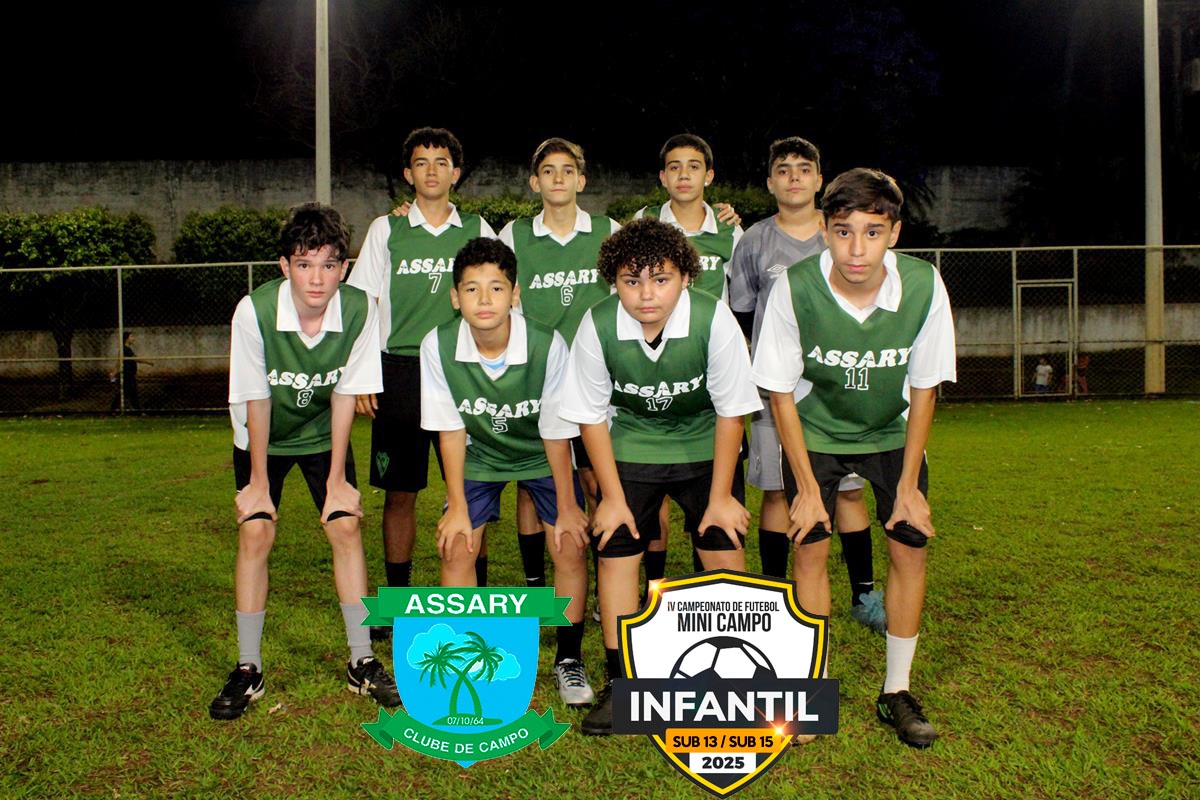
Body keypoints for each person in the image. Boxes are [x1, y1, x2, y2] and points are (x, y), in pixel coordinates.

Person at [751, 168, 956, 748]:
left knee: (908, 546)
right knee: (810, 547)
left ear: (894, 233)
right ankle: (810, 691)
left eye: (872, 232)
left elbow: (925, 388)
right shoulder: (794, 287)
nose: (857, 249)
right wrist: (805, 488)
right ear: (824, 229)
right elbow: (780, 392)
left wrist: (909, 485)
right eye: (843, 232)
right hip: (814, 432)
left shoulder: (923, 286)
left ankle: (897, 689)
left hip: (891, 433)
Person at [559, 218, 762, 735]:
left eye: (661, 279)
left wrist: (721, 497)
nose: (646, 294)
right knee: (616, 545)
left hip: (705, 444)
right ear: (614, 281)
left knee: (722, 541)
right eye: (632, 281)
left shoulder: (714, 319)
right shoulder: (597, 324)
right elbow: (590, 417)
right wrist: (610, 498)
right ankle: (623, 683)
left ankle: (731, 678)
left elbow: (731, 412)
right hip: (632, 443)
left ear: (686, 277)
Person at [210, 203, 401, 721]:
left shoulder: (359, 309)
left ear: (344, 267)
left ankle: (362, 660)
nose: (316, 278)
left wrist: (337, 479)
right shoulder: (254, 311)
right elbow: (256, 398)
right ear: (284, 266)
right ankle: (248, 668)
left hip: (321, 432)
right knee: (256, 532)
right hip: (262, 434)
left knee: (345, 525)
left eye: (328, 264)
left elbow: (344, 395)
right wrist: (257, 483)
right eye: (303, 264)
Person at [419, 237, 594, 707]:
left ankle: (568, 658)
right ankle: (465, 658)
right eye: (471, 289)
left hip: (540, 452)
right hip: (480, 455)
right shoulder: (437, 345)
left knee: (570, 543)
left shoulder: (547, 343)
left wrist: (569, 506)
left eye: (496, 288)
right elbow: (450, 430)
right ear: (454, 297)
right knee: (457, 544)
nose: (484, 299)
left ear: (515, 294)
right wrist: (457, 507)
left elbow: (557, 432)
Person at [727, 137, 884, 633]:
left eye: (803, 168)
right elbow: (742, 314)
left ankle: (864, 595)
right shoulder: (754, 241)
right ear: (770, 182)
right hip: (775, 393)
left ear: (819, 179)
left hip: (836, 391)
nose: (793, 176)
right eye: (783, 169)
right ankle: (776, 600)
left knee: (849, 493)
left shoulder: (840, 234)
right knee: (778, 492)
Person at [347, 127, 497, 616]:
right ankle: (398, 602)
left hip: (462, 371)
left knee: (472, 490)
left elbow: (499, 301)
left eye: (441, 162)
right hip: (400, 372)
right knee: (400, 492)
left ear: (456, 172)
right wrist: (364, 376)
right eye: (421, 162)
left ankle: (477, 599)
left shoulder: (477, 228)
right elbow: (364, 306)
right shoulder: (386, 230)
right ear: (408, 174)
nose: (431, 170)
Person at [497, 138, 619, 592]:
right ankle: (535, 586)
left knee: (595, 478)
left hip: (594, 379)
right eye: (548, 171)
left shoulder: (608, 229)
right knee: (535, 482)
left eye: (568, 170)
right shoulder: (514, 235)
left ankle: (605, 577)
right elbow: (500, 298)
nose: (558, 179)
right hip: (536, 376)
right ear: (535, 182)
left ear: (581, 180)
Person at [634, 133, 745, 588]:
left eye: (694, 166)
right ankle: (655, 590)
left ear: (709, 175)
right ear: (663, 177)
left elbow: (741, 300)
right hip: (654, 369)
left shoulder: (730, 230)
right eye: (675, 167)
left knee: (711, 490)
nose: (684, 175)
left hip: (709, 373)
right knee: (652, 497)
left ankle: (707, 591)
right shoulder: (642, 223)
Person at [110, 331, 152, 412]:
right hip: (127, 375)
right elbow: (135, 359)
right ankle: (114, 409)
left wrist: (114, 372)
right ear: (127, 339)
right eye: (131, 336)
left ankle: (135, 410)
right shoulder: (125, 349)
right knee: (129, 393)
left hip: (129, 375)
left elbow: (120, 362)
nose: (133, 339)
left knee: (130, 393)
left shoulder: (127, 349)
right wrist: (148, 362)